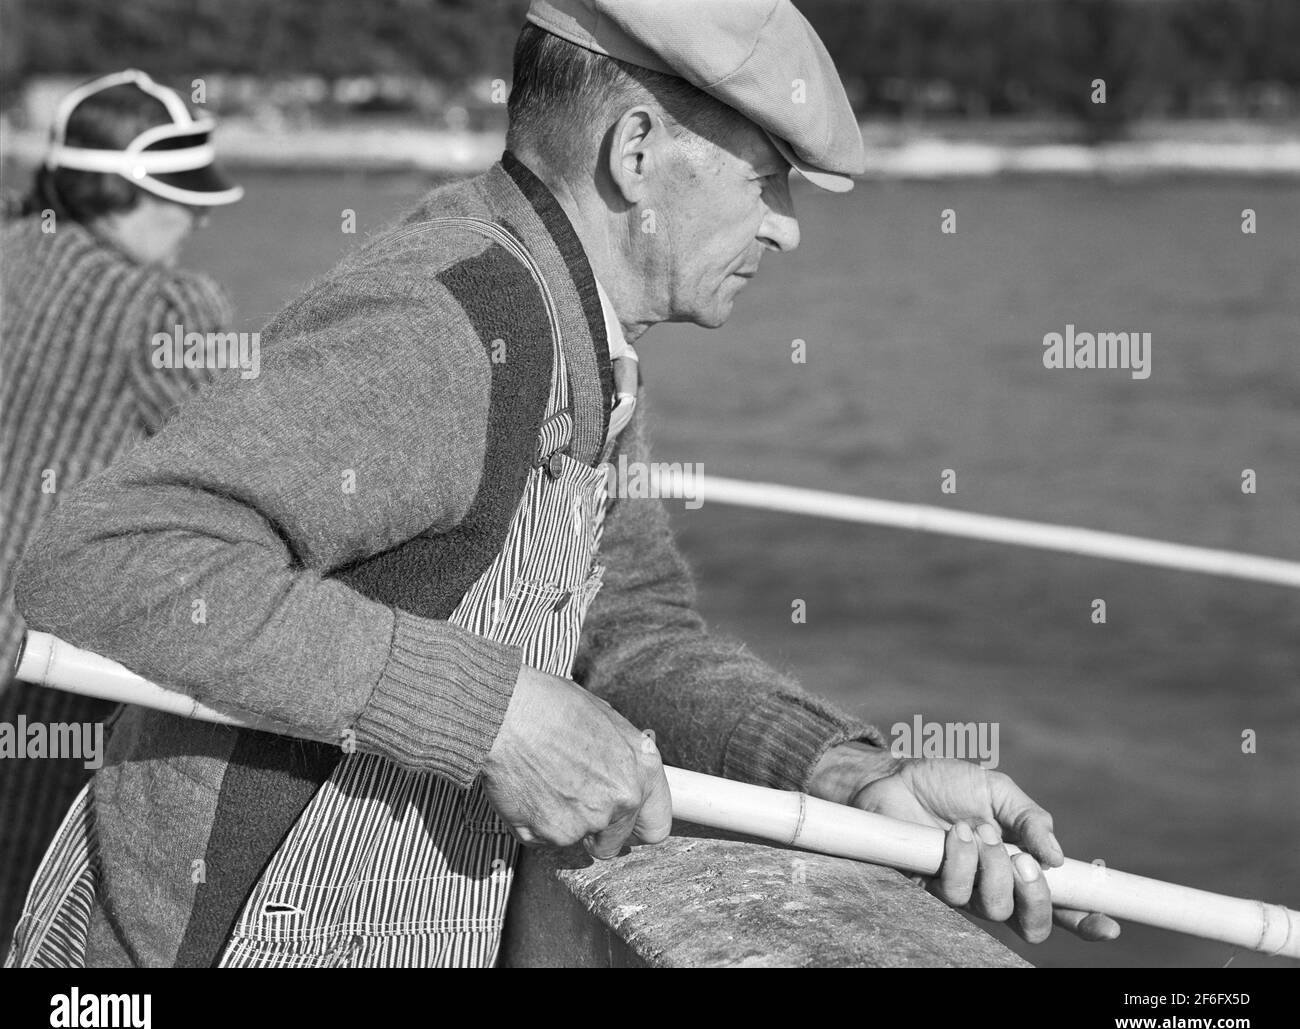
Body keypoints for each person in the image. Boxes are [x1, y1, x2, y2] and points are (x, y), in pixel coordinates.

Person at [7, 2, 1118, 968]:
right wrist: (493, 716)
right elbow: (105, 553)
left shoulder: (584, 339)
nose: (783, 227)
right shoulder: (448, 324)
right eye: (766, 180)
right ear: (636, 151)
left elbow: (629, 634)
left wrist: (848, 772)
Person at [0, 69, 242, 952]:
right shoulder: (164, 309)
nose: (200, 218)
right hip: (41, 675)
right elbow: (247, 481)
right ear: (119, 189)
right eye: (181, 197)